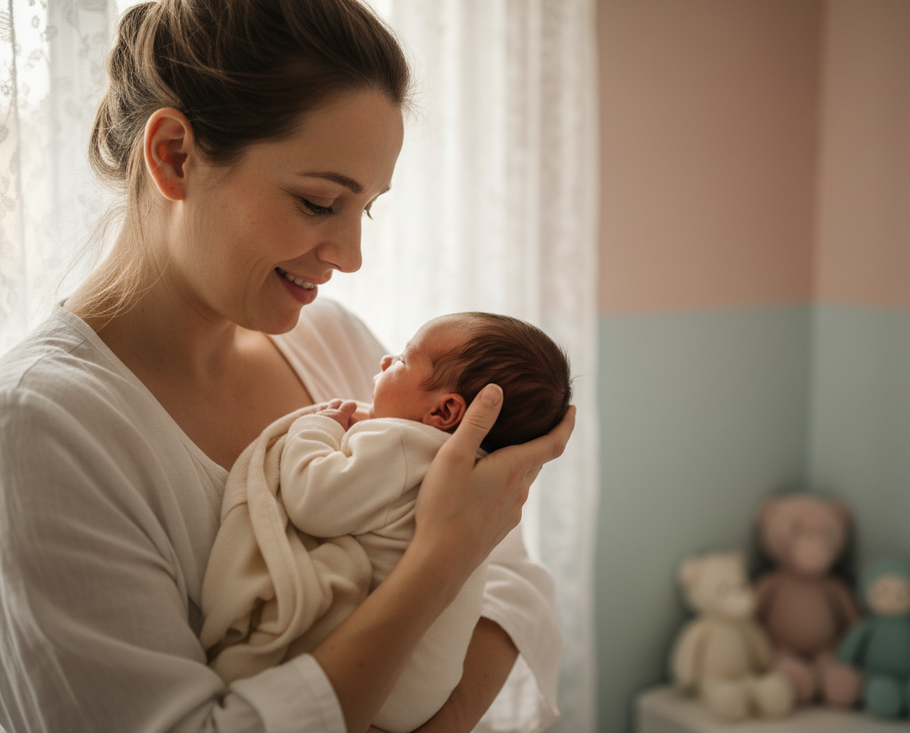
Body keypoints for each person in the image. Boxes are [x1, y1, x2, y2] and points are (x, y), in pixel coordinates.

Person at [0, 0, 574, 731]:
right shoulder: (42, 430)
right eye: (318, 201)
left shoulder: (337, 342)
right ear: (174, 155)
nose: (351, 257)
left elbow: (514, 582)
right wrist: (441, 562)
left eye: (364, 209)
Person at [200, 312, 572, 733]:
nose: (384, 360)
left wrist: (316, 427)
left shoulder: (399, 443)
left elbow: (313, 500)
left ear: (445, 410)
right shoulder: (477, 473)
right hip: (426, 690)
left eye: (402, 360)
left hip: (373, 687)